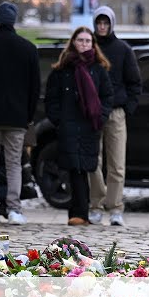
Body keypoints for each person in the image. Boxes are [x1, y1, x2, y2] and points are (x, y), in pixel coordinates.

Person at [44, 26, 114, 226]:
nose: (84, 44)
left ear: (93, 44)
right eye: (80, 40)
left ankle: (82, 213)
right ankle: (78, 214)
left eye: (87, 41)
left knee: (85, 169)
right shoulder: (62, 69)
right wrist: (59, 120)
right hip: (68, 126)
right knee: (73, 169)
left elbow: (107, 96)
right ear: (73, 42)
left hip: (90, 126)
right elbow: (51, 99)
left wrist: (100, 117)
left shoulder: (99, 69)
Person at [0, 1, 41, 226]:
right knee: (14, 163)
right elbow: (35, 87)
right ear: (14, 21)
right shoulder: (27, 48)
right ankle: (14, 209)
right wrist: (28, 115)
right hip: (17, 117)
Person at [88, 6, 142, 227]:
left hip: (116, 112)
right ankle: (96, 205)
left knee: (117, 163)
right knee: (94, 162)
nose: (102, 27)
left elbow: (135, 82)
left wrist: (128, 107)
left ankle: (116, 207)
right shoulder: (88, 48)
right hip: (92, 113)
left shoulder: (123, 49)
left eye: (105, 23)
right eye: (99, 23)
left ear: (111, 24)